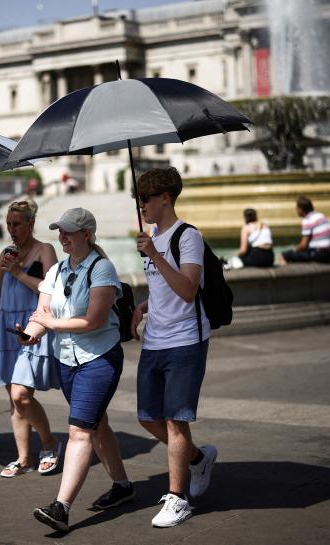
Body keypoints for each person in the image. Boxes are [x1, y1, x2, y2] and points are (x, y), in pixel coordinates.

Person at [21, 208, 133, 533]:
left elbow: (94, 320)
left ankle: (61, 507)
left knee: (78, 432)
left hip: (99, 359)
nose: (62, 237)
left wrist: (50, 324)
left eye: (69, 232)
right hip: (66, 361)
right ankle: (123, 487)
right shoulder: (55, 271)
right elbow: (41, 311)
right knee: (98, 426)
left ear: (87, 234)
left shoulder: (102, 269)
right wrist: (30, 334)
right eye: (60, 231)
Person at [131, 167, 217, 528]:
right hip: (155, 338)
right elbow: (164, 289)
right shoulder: (152, 236)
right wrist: (142, 307)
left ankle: (178, 498)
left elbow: (187, 289)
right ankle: (198, 459)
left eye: (145, 200)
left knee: (175, 419)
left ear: (165, 197)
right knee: (147, 416)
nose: (141, 208)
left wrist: (155, 253)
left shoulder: (188, 236)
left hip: (185, 340)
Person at [0, 200, 61, 478]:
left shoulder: (45, 250)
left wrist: (18, 273)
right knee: (14, 398)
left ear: (31, 224)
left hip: (31, 328)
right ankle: (23, 458)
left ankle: (49, 443)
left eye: (16, 224)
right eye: (8, 224)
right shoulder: (6, 252)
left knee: (21, 395)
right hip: (8, 327)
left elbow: (53, 290)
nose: (11, 229)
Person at [282, 196, 330, 264]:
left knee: (286, 255)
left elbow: (303, 245)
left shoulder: (307, 220)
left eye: (297, 208)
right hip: (329, 255)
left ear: (300, 209)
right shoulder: (321, 215)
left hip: (318, 254)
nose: (296, 210)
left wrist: (293, 250)